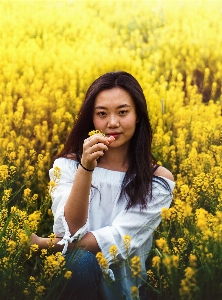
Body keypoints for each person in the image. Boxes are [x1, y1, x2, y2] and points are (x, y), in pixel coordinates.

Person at [31, 71, 175, 300]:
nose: (113, 123)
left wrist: (44, 245)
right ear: (91, 118)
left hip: (124, 290)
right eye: (102, 114)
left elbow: (117, 239)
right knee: (81, 262)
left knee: (82, 258)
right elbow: (70, 231)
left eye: (123, 112)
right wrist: (86, 168)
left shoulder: (156, 182)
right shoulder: (67, 166)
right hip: (75, 280)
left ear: (138, 115)